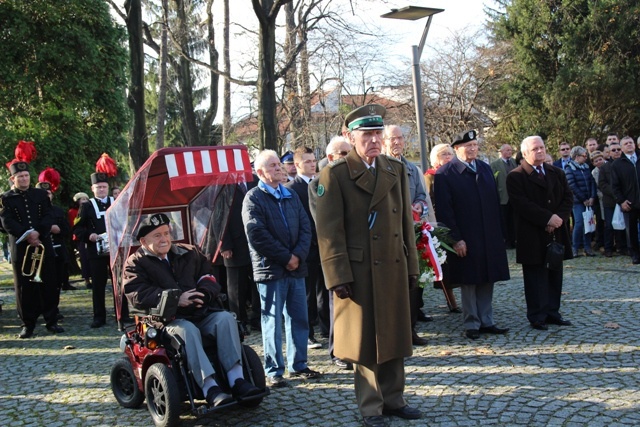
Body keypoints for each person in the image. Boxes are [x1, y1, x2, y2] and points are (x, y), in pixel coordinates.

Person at [313, 104, 421, 427]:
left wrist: (412, 265)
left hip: (392, 264)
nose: (374, 140)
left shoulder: (394, 169)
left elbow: (405, 222)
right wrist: (337, 276)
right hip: (359, 272)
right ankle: (371, 407)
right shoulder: (335, 175)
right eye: (366, 135)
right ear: (350, 136)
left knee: (395, 335)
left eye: (378, 133)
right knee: (366, 342)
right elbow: (328, 233)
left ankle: (394, 398)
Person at [123, 213, 262, 406]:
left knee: (225, 319)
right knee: (187, 331)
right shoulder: (135, 264)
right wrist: (176, 299)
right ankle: (210, 387)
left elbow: (208, 276)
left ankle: (237, 380)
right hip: (166, 320)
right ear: (143, 241)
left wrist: (203, 294)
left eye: (166, 233)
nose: (164, 239)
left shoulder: (189, 252)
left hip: (200, 312)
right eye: (157, 236)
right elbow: (137, 294)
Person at [242, 149, 320, 388]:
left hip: (295, 267)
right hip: (271, 269)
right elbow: (257, 234)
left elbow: (306, 227)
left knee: (299, 317)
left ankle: (299, 364)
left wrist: (297, 255)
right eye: (273, 166)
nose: (279, 168)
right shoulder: (253, 198)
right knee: (272, 321)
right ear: (260, 172)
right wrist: (286, 257)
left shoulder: (290, 195)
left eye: (279, 164)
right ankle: (274, 370)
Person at [434, 130, 510, 340]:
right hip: (465, 237)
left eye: (475, 145)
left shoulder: (484, 169)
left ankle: (487, 320)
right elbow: (444, 211)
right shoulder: (445, 174)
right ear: (456, 148)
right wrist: (455, 239)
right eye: (468, 146)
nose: (473, 149)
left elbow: (494, 203)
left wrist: (499, 234)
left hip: (488, 235)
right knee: (469, 280)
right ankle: (472, 323)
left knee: (487, 277)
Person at [507, 136, 574, 331]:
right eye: (535, 149)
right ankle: (537, 315)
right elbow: (521, 204)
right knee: (535, 275)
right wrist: (547, 219)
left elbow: (567, 197)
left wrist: (558, 218)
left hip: (556, 231)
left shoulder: (556, 172)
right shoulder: (516, 176)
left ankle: (553, 312)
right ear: (525, 153)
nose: (540, 151)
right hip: (532, 232)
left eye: (542, 147)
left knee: (555, 272)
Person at [0, 141, 62, 338]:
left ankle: (51, 320)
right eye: (20, 176)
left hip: (43, 242)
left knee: (49, 284)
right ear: (13, 178)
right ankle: (28, 324)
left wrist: (38, 233)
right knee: (24, 288)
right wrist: (27, 235)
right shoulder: (6, 198)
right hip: (21, 247)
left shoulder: (41, 195)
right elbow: (6, 221)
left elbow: (48, 215)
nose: (24, 179)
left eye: (26, 176)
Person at [382, 124, 431, 346]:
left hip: (411, 234)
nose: (397, 142)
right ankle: (392, 333)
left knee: (413, 283)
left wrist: (419, 206)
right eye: (392, 138)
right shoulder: (378, 167)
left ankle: (410, 330)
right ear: (383, 141)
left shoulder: (411, 168)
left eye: (400, 138)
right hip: (386, 236)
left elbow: (422, 196)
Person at [74, 157, 129, 328]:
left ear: (108, 188)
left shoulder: (116, 203)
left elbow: (126, 223)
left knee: (119, 284)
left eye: (104, 187)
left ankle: (122, 314)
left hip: (115, 250)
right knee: (97, 285)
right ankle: (99, 317)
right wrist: (89, 235)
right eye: (98, 187)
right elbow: (77, 229)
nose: (101, 190)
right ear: (92, 189)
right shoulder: (86, 206)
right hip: (95, 251)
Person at [285, 147, 329, 351]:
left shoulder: (322, 183)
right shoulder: (292, 188)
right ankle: (308, 334)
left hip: (325, 245)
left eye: (314, 160)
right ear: (297, 165)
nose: (313, 164)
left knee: (324, 290)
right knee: (308, 293)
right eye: (308, 161)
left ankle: (326, 328)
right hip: (307, 247)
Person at [425, 144, 460, 314]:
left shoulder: (456, 174)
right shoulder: (430, 177)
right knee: (443, 265)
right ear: (435, 158)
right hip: (437, 225)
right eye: (444, 154)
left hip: (454, 222)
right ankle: (451, 301)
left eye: (450, 154)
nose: (448, 157)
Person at [611, 136, 640, 264]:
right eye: (626, 143)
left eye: (631, 143)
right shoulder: (617, 164)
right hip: (629, 203)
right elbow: (615, 186)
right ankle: (635, 254)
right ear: (622, 148)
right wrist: (621, 201)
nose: (629, 145)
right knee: (631, 231)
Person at [564, 146, 597, 257]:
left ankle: (587, 248)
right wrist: (583, 199)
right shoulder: (569, 168)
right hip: (578, 201)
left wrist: (592, 197)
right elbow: (572, 185)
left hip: (589, 200)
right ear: (577, 157)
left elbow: (592, 182)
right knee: (578, 223)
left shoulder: (586, 167)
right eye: (584, 155)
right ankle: (574, 248)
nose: (586, 157)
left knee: (588, 223)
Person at [598, 141, 627, 257]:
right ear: (609, 153)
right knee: (609, 226)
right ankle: (608, 248)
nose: (616, 152)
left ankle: (622, 247)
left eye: (618, 150)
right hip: (610, 201)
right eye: (613, 150)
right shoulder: (604, 167)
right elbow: (602, 184)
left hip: (624, 200)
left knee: (623, 225)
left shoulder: (625, 164)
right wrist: (615, 194)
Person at [491, 144, 517, 249]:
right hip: (503, 197)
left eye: (510, 150)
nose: (509, 152)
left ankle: (513, 239)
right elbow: (493, 181)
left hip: (514, 198)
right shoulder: (495, 164)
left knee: (513, 220)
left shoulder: (514, 163)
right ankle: (506, 241)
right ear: (501, 152)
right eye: (507, 150)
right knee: (504, 220)